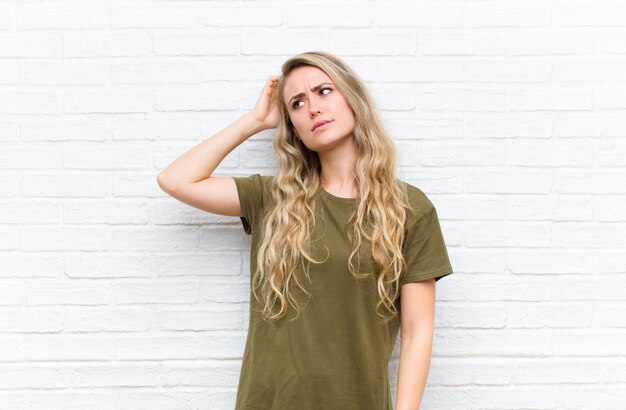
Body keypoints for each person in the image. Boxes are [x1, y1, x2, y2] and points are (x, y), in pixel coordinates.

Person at [157, 51, 453, 410]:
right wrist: (254, 120)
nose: (312, 108)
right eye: (297, 103)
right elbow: (175, 180)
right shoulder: (272, 198)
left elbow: (417, 331)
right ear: (293, 127)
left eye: (324, 91)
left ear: (352, 98)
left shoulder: (409, 209)